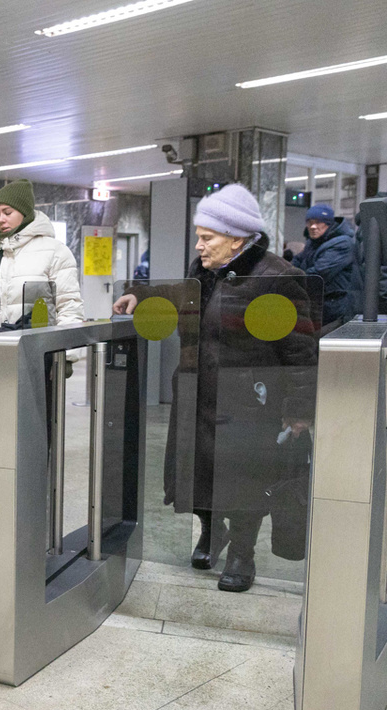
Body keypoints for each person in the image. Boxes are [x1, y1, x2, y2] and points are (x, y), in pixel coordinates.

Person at [113, 183, 317, 593]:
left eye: (207, 238)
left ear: (237, 238)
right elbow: (177, 298)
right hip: (198, 393)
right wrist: (139, 293)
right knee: (198, 472)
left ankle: (243, 552)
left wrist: (298, 409)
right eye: (199, 237)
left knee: (244, 476)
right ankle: (211, 532)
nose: (200, 246)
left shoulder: (279, 277)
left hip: (250, 402)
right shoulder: (202, 272)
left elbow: (301, 350)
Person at [0, 178, 85, 523]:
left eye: (8, 212)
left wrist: (66, 355)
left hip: (37, 356)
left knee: (35, 429)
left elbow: (68, 305)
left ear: (25, 212)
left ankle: (33, 495)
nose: (2, 219)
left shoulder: (54, 251)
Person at [292, 203, 357, 327]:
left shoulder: (342, 243)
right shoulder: (313, 241)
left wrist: (292, 278)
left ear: (328, 224)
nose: (313, 226)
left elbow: (319, 273)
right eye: (309, 222)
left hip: (334, 306)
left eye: (318, 222)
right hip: (318, 303)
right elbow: (297, 261)